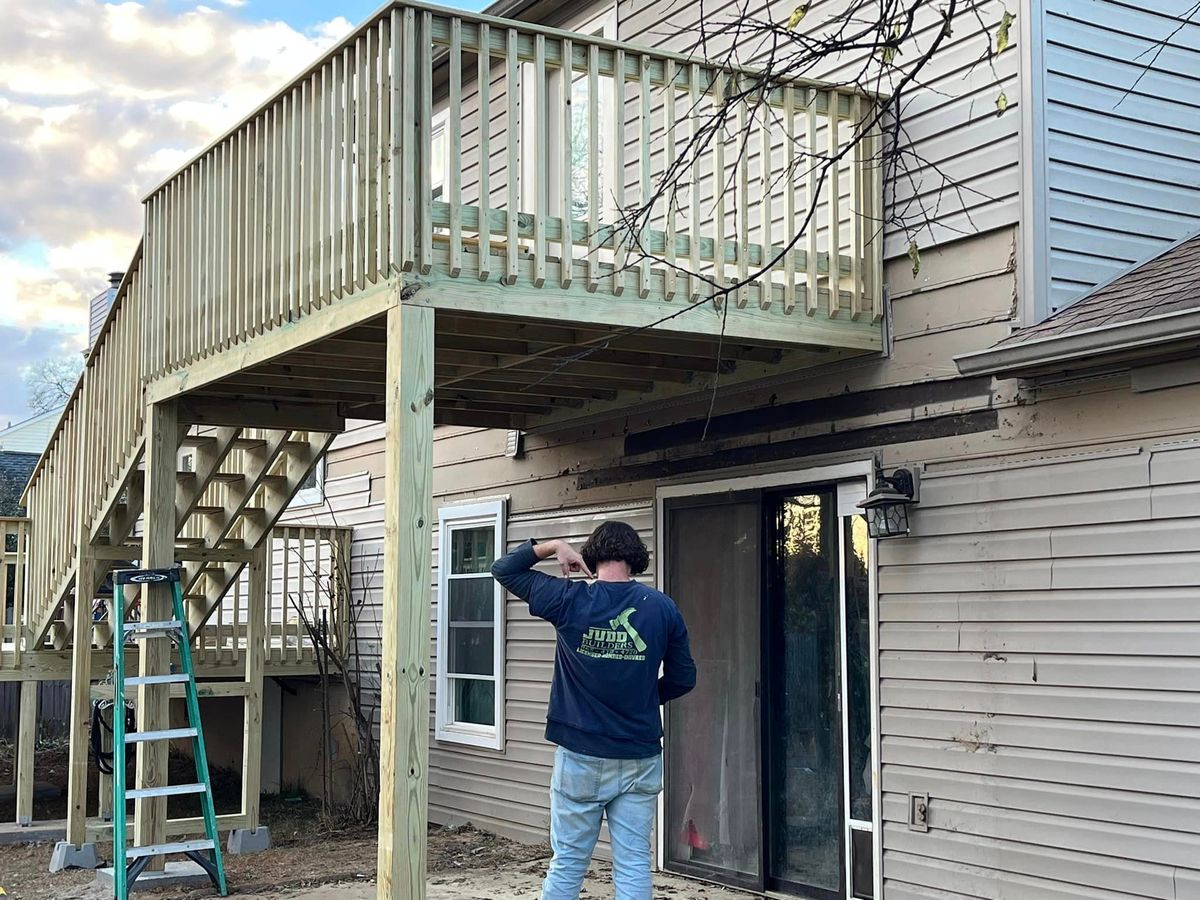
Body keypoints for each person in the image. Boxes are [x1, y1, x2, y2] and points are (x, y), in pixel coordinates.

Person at [491, 522, 697, 900]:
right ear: (635, 558)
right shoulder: (662, 609)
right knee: (634, 862)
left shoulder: (569, 600)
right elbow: (684, 678)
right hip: (639, 756)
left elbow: (504, 569)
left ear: (592, 555)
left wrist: (553, 546)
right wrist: (647, 697)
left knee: (569, 862)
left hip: (581, 756)